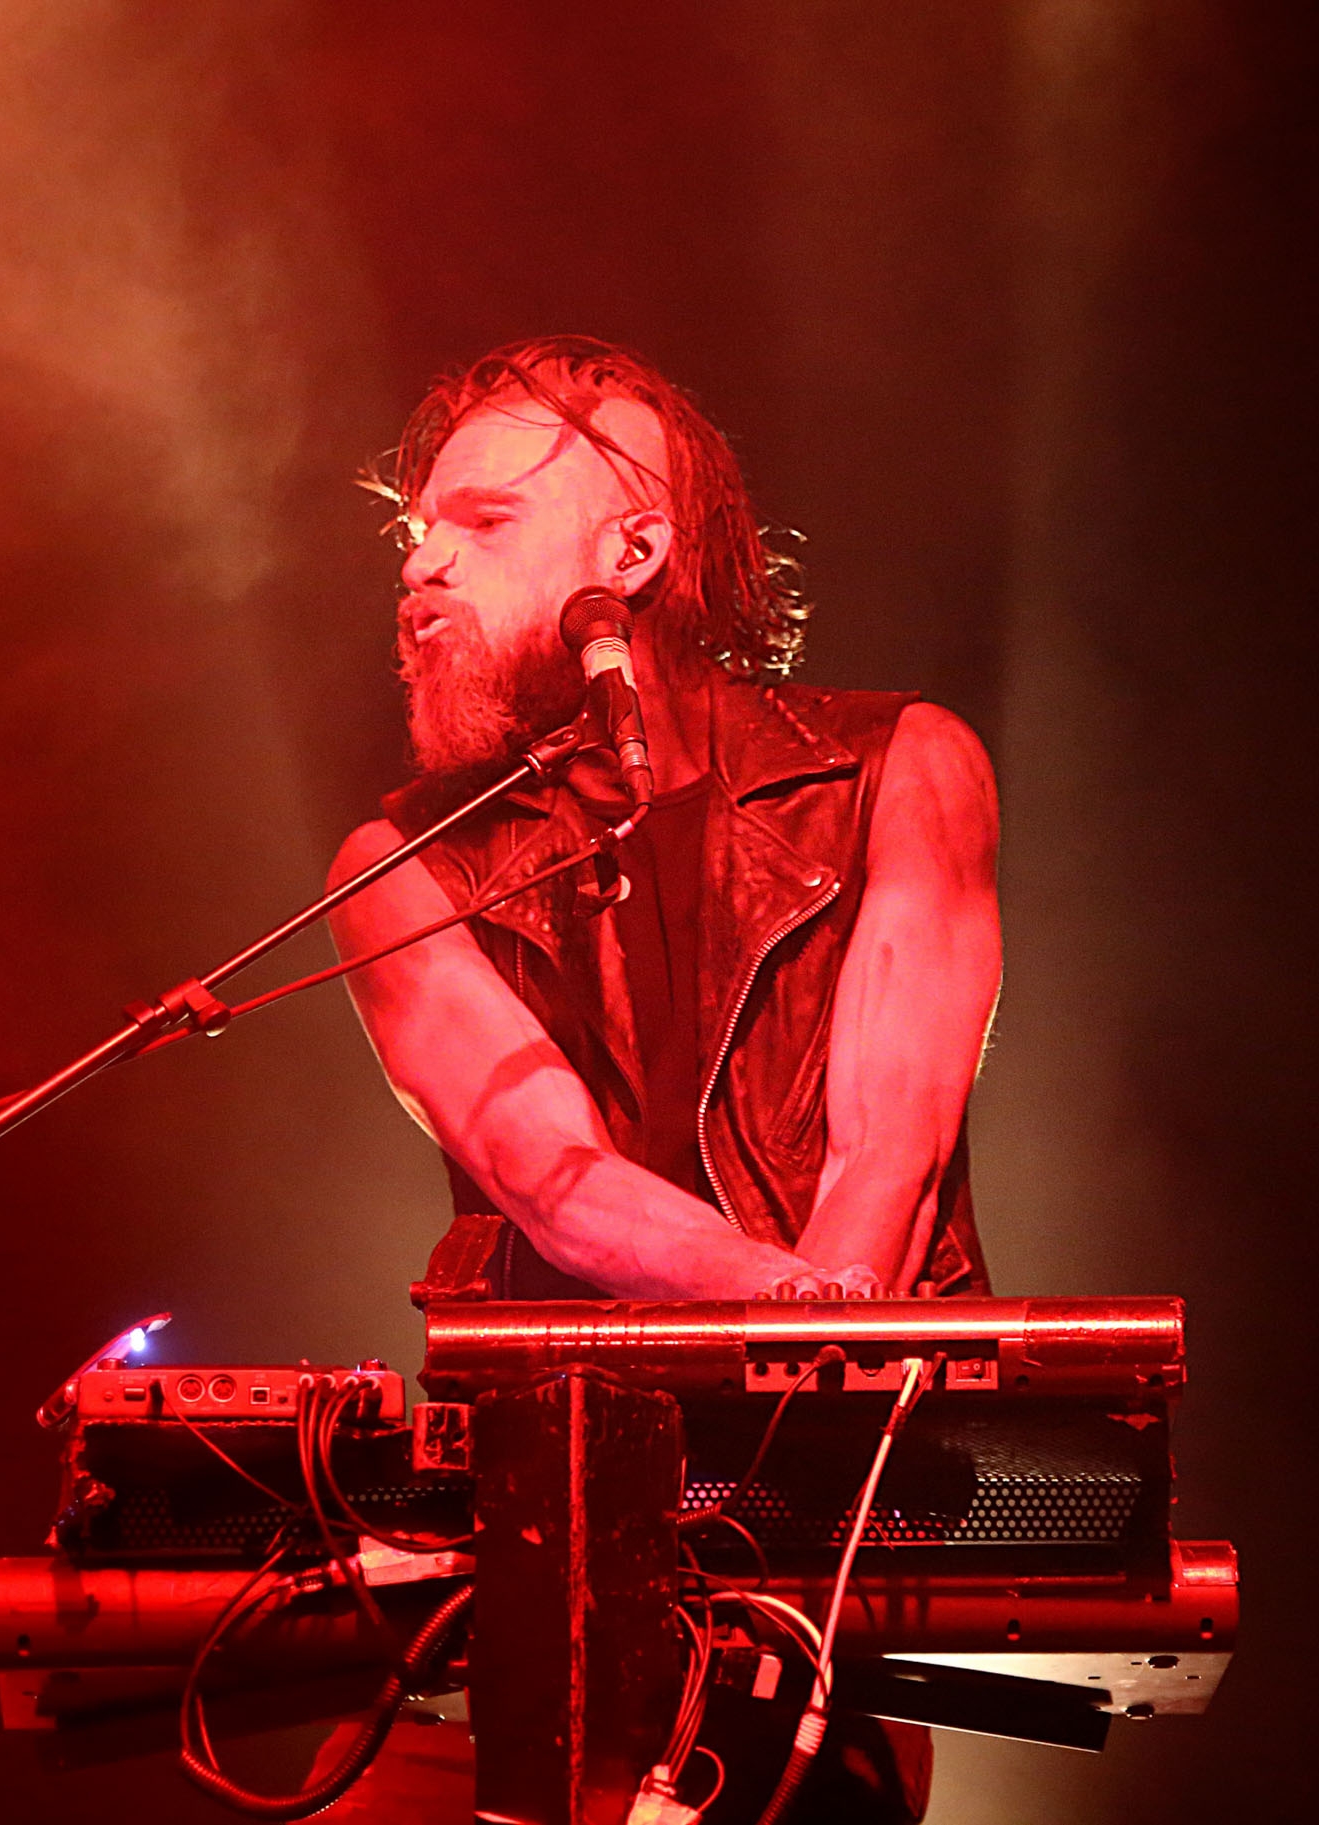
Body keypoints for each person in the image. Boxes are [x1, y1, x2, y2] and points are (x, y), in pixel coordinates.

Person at [325, 336, 1001, 1820]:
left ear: (629, 556)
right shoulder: (399, 865)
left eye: (483, 521)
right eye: (416, 532)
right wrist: (799, 1310)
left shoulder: (903, 768)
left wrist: (817, 1357)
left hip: (825, 1550)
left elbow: (885, 1149)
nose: (421, 564)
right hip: (529, 1542)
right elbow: (549, 1179)